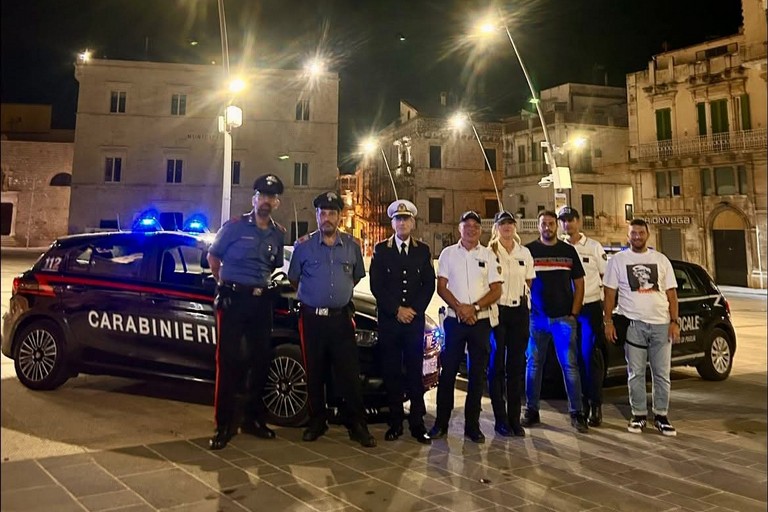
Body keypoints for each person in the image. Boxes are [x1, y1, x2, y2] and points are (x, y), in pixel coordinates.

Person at [287, 191, 376, 448]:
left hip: (340, 320)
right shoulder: (303, 246)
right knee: (314, 372)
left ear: (339, 216)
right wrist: (316, 295)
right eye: (322, 213)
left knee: (349, 373)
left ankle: (356, 423)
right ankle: (317, 421)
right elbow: (294, 279)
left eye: (332, 213)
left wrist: (336, 296)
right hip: (312, 320)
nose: (327, 218)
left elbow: (355, 276)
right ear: (317, 216)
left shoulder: (351, 246)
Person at [206, 174, 285, 450]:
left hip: (260, 303)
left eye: (271, 197)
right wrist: (224, 284)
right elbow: (213, 257)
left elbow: (273, 265)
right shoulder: (235, 226)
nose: (266, 201)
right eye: (262, 196)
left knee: (260, 361)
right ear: (254, 199)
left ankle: (253, 419)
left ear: (276, 202)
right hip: (233, 300)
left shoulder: (278, 233)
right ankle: (224, 424)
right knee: (228, 362)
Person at [429, 211, 502, 443]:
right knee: (448, 373)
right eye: (467, 225)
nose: (471, 229)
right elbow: (442, 287)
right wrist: (461, 309)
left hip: (480, 322)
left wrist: (474, 308)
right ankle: (441, 424)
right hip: (455, 321)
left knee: (477, 375)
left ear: (481, 230)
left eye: (475, 226)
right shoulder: (448, 253)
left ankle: (472, 426)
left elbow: (496, 290)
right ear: (460, 228)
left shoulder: (488, 254)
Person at [603, 218, 680, 436]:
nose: (637, 237)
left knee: (661, 373)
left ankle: (661, 415)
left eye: (641, 233)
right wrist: (608, 321)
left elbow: (672, 294)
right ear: (628, 236)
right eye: (633, 233)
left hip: (661, 323)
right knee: (635, 372)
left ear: (648, 235)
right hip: (633, 324)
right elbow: (609, 293)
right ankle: (638, 415)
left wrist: (674, 322)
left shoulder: (661, 260)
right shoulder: (618, 260)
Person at [369, 199, 435, 445]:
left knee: (415, 372)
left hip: (413, 323)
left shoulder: (422, 250)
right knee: (392, 372)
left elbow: (428, 285)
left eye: (406, 219)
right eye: (398, 219)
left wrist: (413, 310)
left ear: (413, 223)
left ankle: (417, 423)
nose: (402, 223)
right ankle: (395, 422)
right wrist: (397, 310)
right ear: (393, 223)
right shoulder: (381, 250)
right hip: (390, 322)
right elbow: (377, 285)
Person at [523, 210, 589, 433]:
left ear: (556, 226)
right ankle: (531, 410)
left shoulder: (568, 251)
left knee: (570, 366)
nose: (547, 227)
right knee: (533, 365)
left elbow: (579, 284)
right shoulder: (529, 251)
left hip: (564, 319)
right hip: (536, 319)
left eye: (551, 223)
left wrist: (574, 313)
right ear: (538, 226)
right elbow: (523, 282)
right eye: (544, 223)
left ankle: (577, 412)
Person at [486, 210, 535, 437]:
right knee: (496, 365)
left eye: (510, 223)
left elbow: (528, 281)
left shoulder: (524, 252)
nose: (507, 227)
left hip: (519, 312)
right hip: (498, 312)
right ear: (496, 228)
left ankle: (515, 418)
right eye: (503, 224)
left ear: (515, 227)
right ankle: (500, 419)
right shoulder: (489, 253)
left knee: (516, 367)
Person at [559, 206, 608, 427]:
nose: (567, 224)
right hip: (566, 310)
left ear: (578, 221)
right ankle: (579, 406)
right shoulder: (559, 248)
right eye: (563, 221)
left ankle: (594, 404)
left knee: (590, 357)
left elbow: (606, 277)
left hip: (589, 308)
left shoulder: (594, 247)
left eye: (570, 220)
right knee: (572, 360)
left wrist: (607, 311)